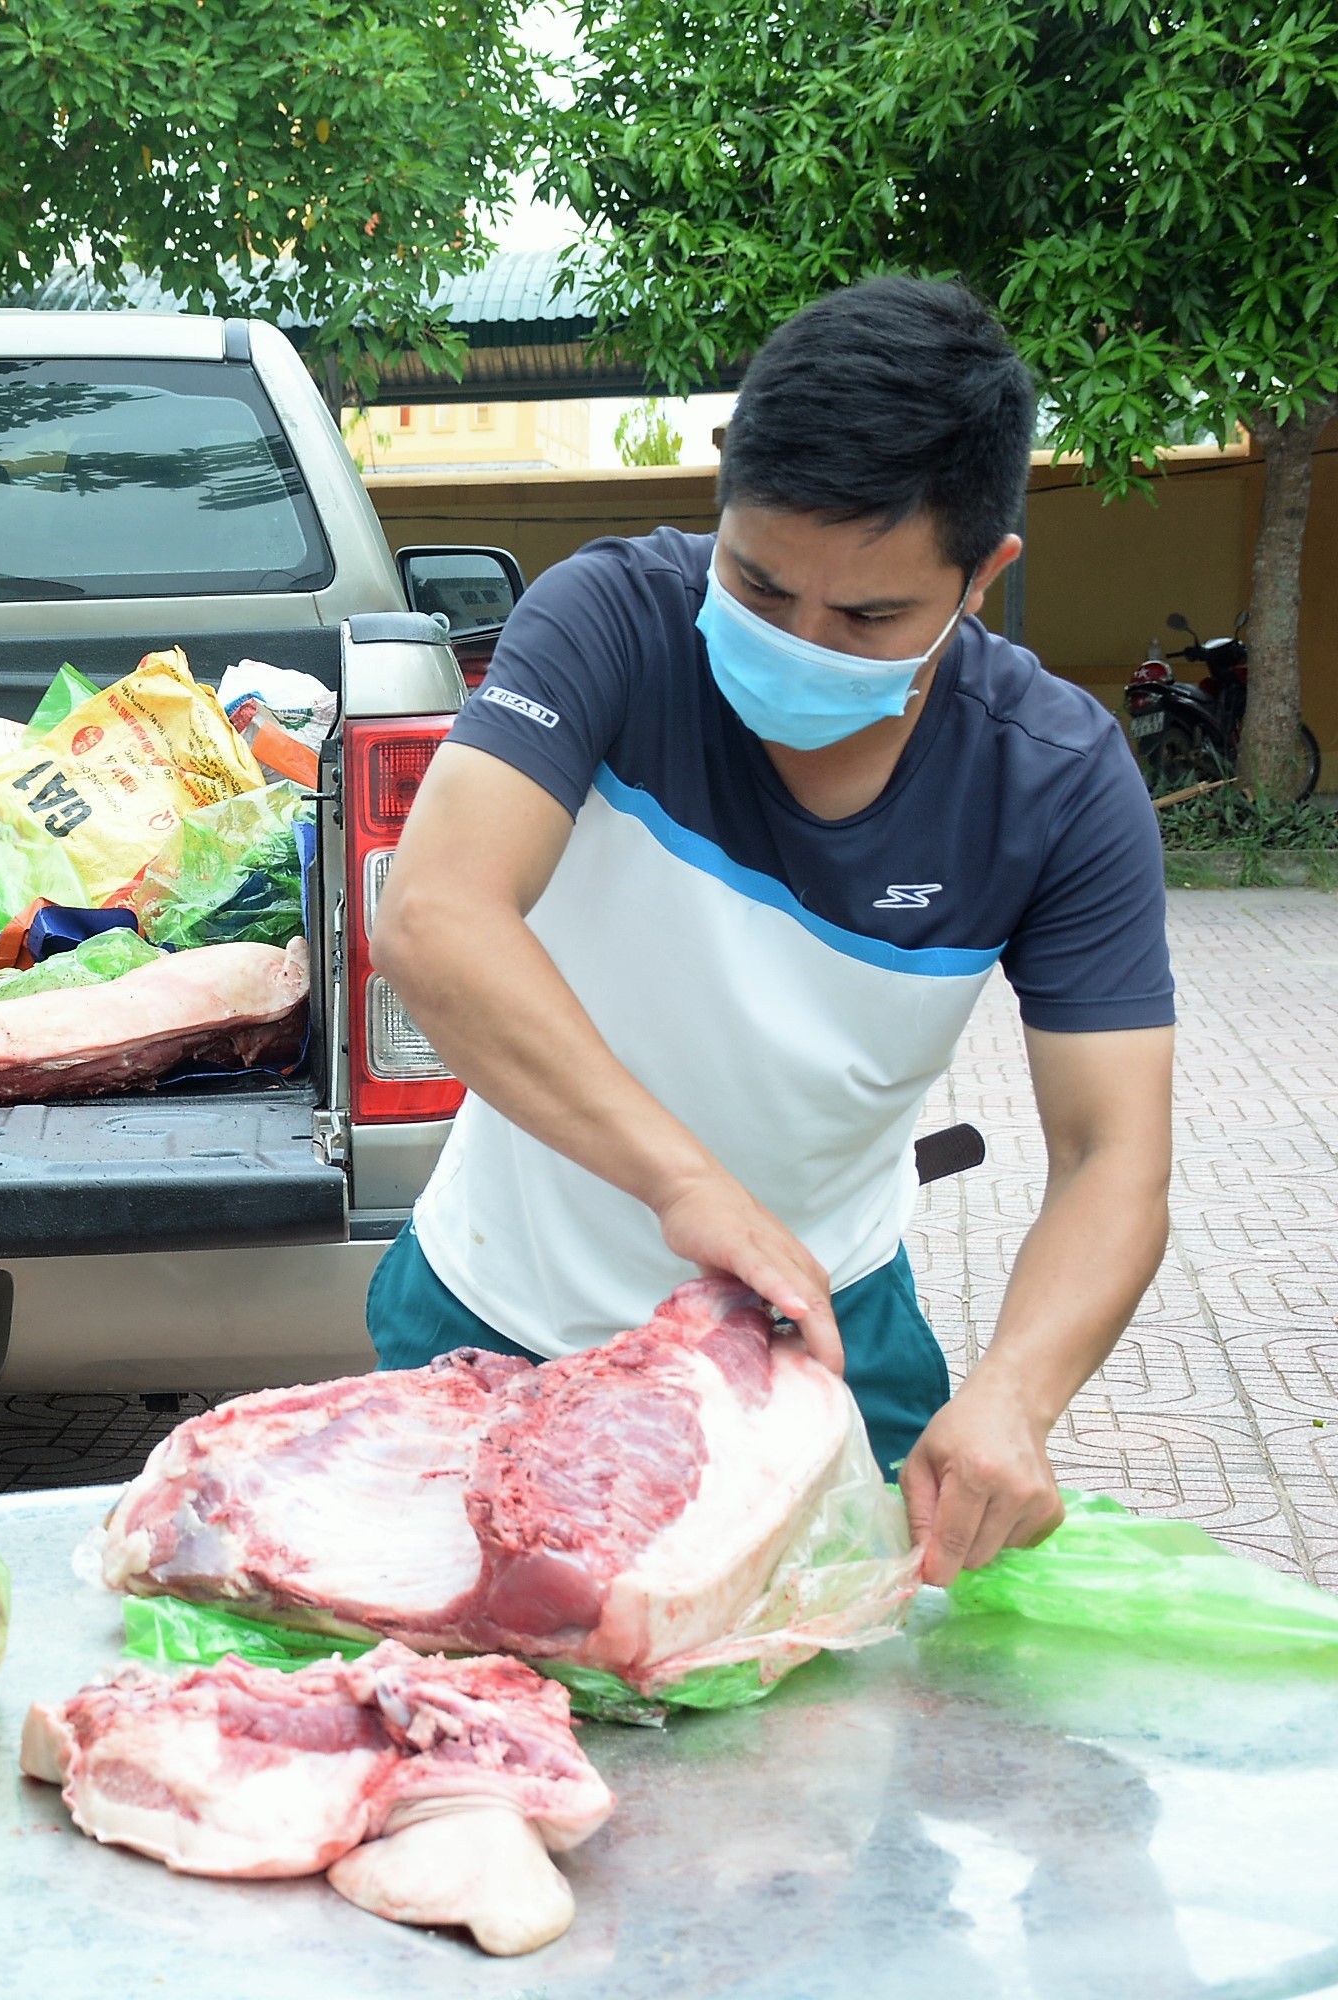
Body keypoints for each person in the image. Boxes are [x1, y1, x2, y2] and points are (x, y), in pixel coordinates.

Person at [369, 277, 1173, 1588]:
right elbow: (438, 912)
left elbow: (1112, 1156)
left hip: (824, 1337)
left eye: (868, 620)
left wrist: (1016, 1397)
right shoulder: (612, 623)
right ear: (724, 497)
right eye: (758, 582)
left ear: (984, 578)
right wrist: (692, 1187)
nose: (798, 639)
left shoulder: (1055, 781)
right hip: (497, 1310)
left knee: (854, 1744)